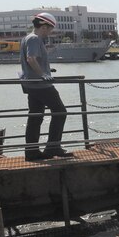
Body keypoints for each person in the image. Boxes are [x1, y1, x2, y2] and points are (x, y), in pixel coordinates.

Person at [20, 12, 70, 161]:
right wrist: (43, 74)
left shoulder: (26, 38)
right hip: (41, 85)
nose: (50, 32)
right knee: (60, 112)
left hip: (31, 84)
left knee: (35, 117)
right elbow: (31, 59)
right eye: (50, 28)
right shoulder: (35, 39)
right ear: (43, 26)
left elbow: (31, 60)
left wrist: (46, 70)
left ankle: (31, 152)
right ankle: (53, 146)